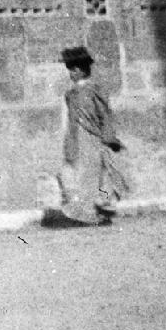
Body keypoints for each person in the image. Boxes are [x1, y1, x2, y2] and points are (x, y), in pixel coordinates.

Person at [51, 46, 128, 228]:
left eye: (74, 69)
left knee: (95, 175)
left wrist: (109, 138)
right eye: (70, 69)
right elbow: (70, 120)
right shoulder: (70, 95)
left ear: (81, 70)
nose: (71, 73)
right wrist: (68, 142)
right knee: (77, 175)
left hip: (93, 139)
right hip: (76, 139)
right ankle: (87, 213)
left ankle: (97, 212)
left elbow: (105, 115)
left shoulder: (94, 90)